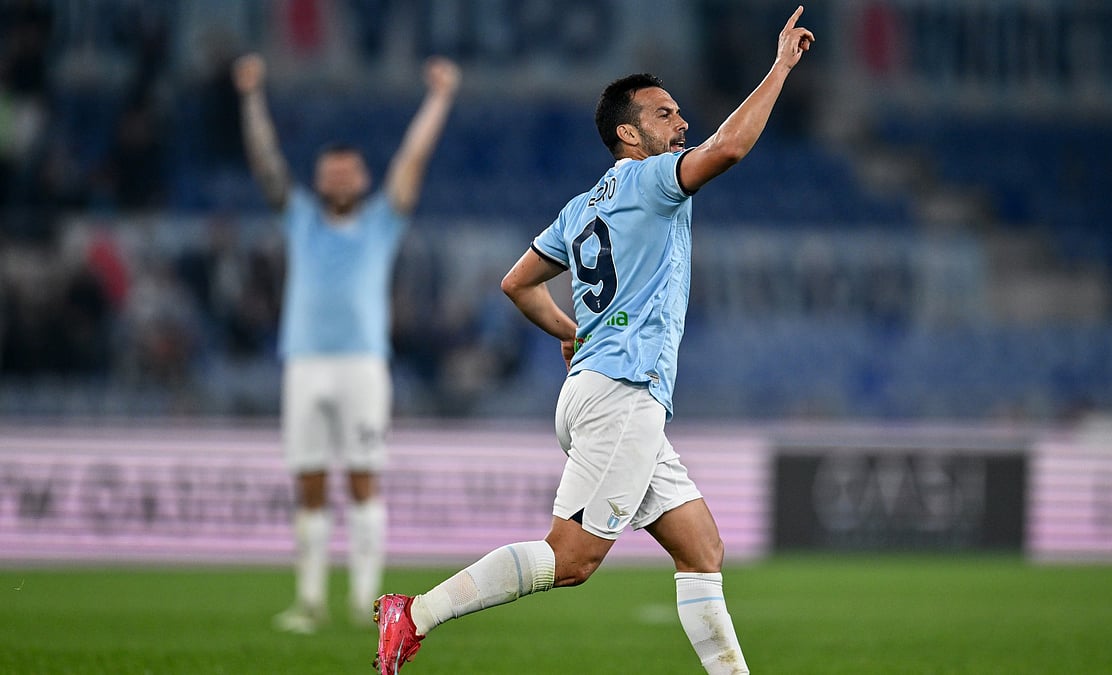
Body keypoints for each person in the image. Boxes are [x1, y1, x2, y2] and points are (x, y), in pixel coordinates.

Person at [373, 6, 814, 673]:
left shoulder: (581, 208)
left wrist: (576, 331)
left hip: (597, 388)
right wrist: (780, 66)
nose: (682, 122)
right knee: (572, 558)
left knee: (701, 548)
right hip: (622, 395)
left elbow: (518, 282)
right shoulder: (648, 180)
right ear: (627, 134)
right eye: (665, 114)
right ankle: (419, 611)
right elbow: (729, 148)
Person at [231, 52, 461, 632]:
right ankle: (309, 601)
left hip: (362, 366)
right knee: (308, 480)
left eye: (348, 172)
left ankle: (365, 602)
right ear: (320, 179)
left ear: (361, 178)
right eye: (330, 172)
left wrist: (438, 98)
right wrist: (251, 96)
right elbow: (265, 163)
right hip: (304, 364)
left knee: (363, 477)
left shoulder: (383, 219)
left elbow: (412, 159)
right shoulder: (301, 219)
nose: (339, 179)